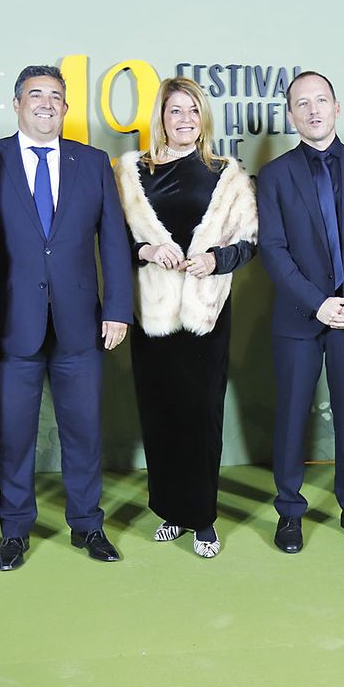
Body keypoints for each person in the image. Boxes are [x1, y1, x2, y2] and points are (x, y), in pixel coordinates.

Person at [0, 65, 134, 570]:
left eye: (55, 96)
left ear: (66, 108)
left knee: (84, 430)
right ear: (17, 103)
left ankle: (88, 524)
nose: (46, 103)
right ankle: (15, 530)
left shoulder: (93, 163)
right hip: (9, 322)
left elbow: (113, 240)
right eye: (35, 95)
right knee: (15, 434)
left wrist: (117, 309)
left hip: (81, 324)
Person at [116, 77, 258, 558]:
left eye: (192, 111)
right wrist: (147, 249)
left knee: (201, 415)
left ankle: (202, 518)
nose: (184, 119)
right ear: (161, 117)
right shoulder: (131, 173)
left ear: (203, 119)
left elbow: (248, 244)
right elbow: (113, 242)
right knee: (160, 415)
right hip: (152, 315)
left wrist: (215, 260)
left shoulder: (226, 174)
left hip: (205, 316)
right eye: (175, 110)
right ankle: (170, 510)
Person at [257, 71, 344, 554]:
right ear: (291, 115)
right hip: (299, 316)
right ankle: (289, 511)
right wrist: (318, 302)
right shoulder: (274, 175)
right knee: (293, 415)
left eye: (321, 101)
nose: (313, 110)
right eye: (302, 104)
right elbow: (273, 250)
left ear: (337, 107)